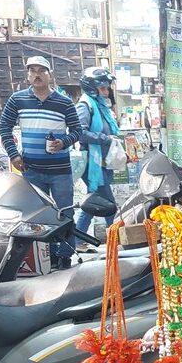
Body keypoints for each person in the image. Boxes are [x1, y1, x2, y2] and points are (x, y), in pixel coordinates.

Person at [0, 55, 82, 268]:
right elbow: (4, 128)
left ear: (49, 74)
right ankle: (44, 259)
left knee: (64, 213)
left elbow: (78, 131)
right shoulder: (17, 100)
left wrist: (63, 143)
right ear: (27, 75)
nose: (37, 74)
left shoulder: (63, 102)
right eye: (32, 70)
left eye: (41, 70)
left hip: (60, 170)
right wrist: (13, 155)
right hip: (31, 170)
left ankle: (64, 257)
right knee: (37, 217)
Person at [75, 67, 119, 237]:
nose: (107, 92)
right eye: (103, 88)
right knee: (108, 203)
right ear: (92, 89)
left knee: (92, 203)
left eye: (107, 88)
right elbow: (80, 133)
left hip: (103, 161)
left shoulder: (101, 106)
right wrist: (106, 139)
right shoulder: (85, 105)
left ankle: (79, 239)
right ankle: (119, 238)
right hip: (93, 163)